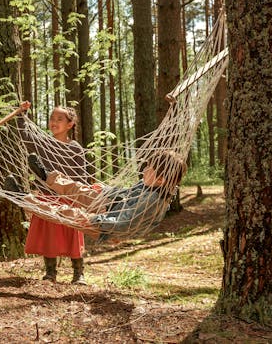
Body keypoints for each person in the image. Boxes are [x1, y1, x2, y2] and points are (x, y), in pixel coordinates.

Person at [22, 150, 187, 239]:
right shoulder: (149, 185)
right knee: (82, 190)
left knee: (66, 213)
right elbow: (127, 194)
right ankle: (47, 176)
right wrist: (106, 190)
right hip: (112, 208)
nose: (143, 170)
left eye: (148, 169)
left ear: (160, 180)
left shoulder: (152, 201)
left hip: (108, 227)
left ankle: (25, 198)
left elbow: (127, 222)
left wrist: (95, 220)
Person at [16, 102, 89, 284]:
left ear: (70, 124)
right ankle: (50, 273)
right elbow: (25, 137)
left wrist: (82, 198)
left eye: (59, 119)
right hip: (47, 196)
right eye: (52, 118)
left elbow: (82, 175)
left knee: (72, 233)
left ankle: (78, 273)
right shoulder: (43, 144)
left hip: (68, 197)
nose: (54, 122)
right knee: (49, 234)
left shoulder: (75, 148)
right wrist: (20, 115)